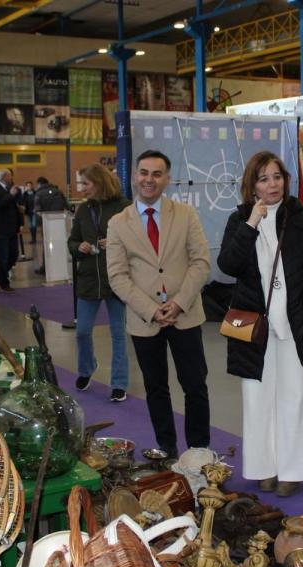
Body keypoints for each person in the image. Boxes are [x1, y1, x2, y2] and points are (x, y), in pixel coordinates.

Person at [217, 151, 303, 497]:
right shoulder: (239, 220)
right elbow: (228, 265)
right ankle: (263, 466)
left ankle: (293, 470)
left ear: (286, 180)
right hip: (254, 326)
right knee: (257, 398)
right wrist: (251, 223)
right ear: (252, 185)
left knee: (295, 397)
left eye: (277, 176)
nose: (272, 184)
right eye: (263, 178)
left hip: (295, 324)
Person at [107, 150, 211, 457]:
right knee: (156, 388)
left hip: (186, 314)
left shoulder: (185, 214)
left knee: (195, 386)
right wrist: (152, 310)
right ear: (134, 176)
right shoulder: (118, 223)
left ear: (167, 179)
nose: (148, 180)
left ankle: (199, 450)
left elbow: (201, 262)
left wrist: (178, 303)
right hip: (144, 320)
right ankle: (166, 448)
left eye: (156, 174)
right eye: (143, 173)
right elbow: (117, 276)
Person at [68, 164, 132, 402]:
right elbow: (72, 241)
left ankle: (119, 383)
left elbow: (137, 243)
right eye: (81, 184)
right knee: (82, 331)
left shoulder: (124, 208)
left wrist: (115, 243)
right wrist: (79, 247)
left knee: (118, 333)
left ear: (99, 182)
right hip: (87, 280)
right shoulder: (83, 210)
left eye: (86, 184)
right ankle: (86, 368)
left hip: (116, 279)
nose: (82, 189)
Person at [0, 167, 20, 292]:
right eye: (9, 176)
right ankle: (4, 283)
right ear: (3, 177)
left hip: (12, 228)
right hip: (0, 228)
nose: (11, 178)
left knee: (14, 255)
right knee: (3, 256)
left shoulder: (10, 188)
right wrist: (10, 195)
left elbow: (15, 207)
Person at [34, 176, 69, 274]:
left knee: (47, 245)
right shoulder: (58, 191)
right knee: (59, 244)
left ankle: (45, 268)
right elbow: (67, 205)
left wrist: (38, 224)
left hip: (46, 223)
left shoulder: (39, 193)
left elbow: (37, 210)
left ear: (40, 184)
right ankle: (60, 266)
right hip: (59, 222)